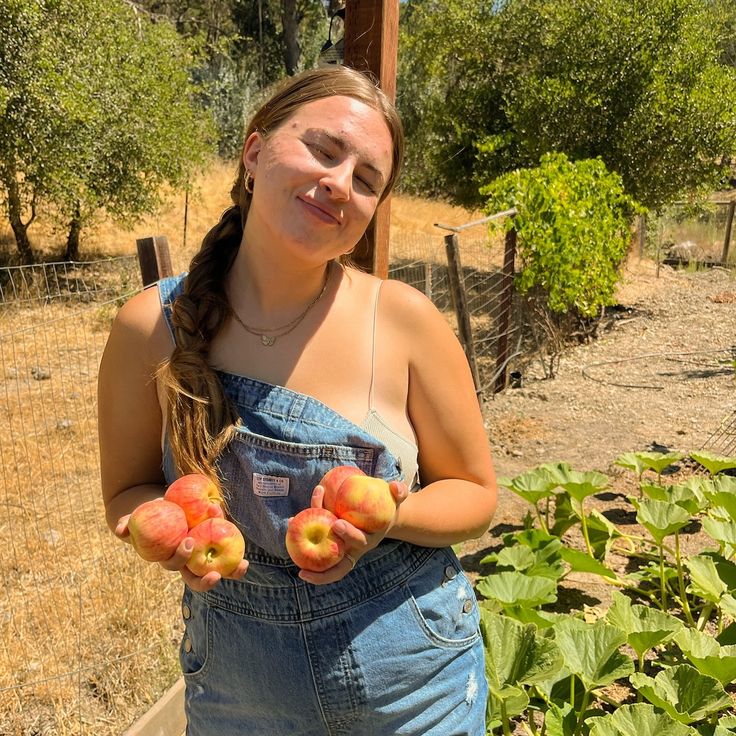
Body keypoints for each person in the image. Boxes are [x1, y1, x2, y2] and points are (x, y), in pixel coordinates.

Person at [98, 65, 497, 735]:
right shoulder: (149, 327)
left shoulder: (404, 320)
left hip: (416, 688)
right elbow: (127, 491)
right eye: (322, 148)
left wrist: (382, 525)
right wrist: (169, 534)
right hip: (237, 690)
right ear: (254, 154)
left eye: (367, 180)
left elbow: (475, 493)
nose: (341, 182)